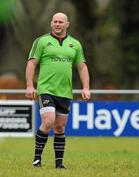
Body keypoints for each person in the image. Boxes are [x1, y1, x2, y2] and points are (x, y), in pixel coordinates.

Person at [25, 12, 90, 169]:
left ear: (67, 24)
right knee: (48, 121)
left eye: (61, 22)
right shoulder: (41, 41)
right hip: (46, 89)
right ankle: (37, 160)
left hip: (65, 92)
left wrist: (86, 88)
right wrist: (29, 86)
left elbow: (82, 67)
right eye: (55, 21)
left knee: (60, 127)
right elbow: (31, 64)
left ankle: (59, 164)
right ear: (51, 23)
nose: (57, 24)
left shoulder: (75, 44)